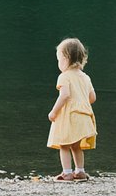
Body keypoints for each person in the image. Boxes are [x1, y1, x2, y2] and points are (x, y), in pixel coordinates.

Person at [45, 36, 97, 180]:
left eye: (59, 59)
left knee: (64, 145)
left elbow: (65, 95)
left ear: (67, 58)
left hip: (69, 117)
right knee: (76, 146)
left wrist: (54, 111)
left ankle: (67, 172)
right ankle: (80, 171)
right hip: (84, 116)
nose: (58, 63)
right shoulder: (86, 77)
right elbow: (92, 98)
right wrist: (81, 99)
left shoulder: (64, 76)